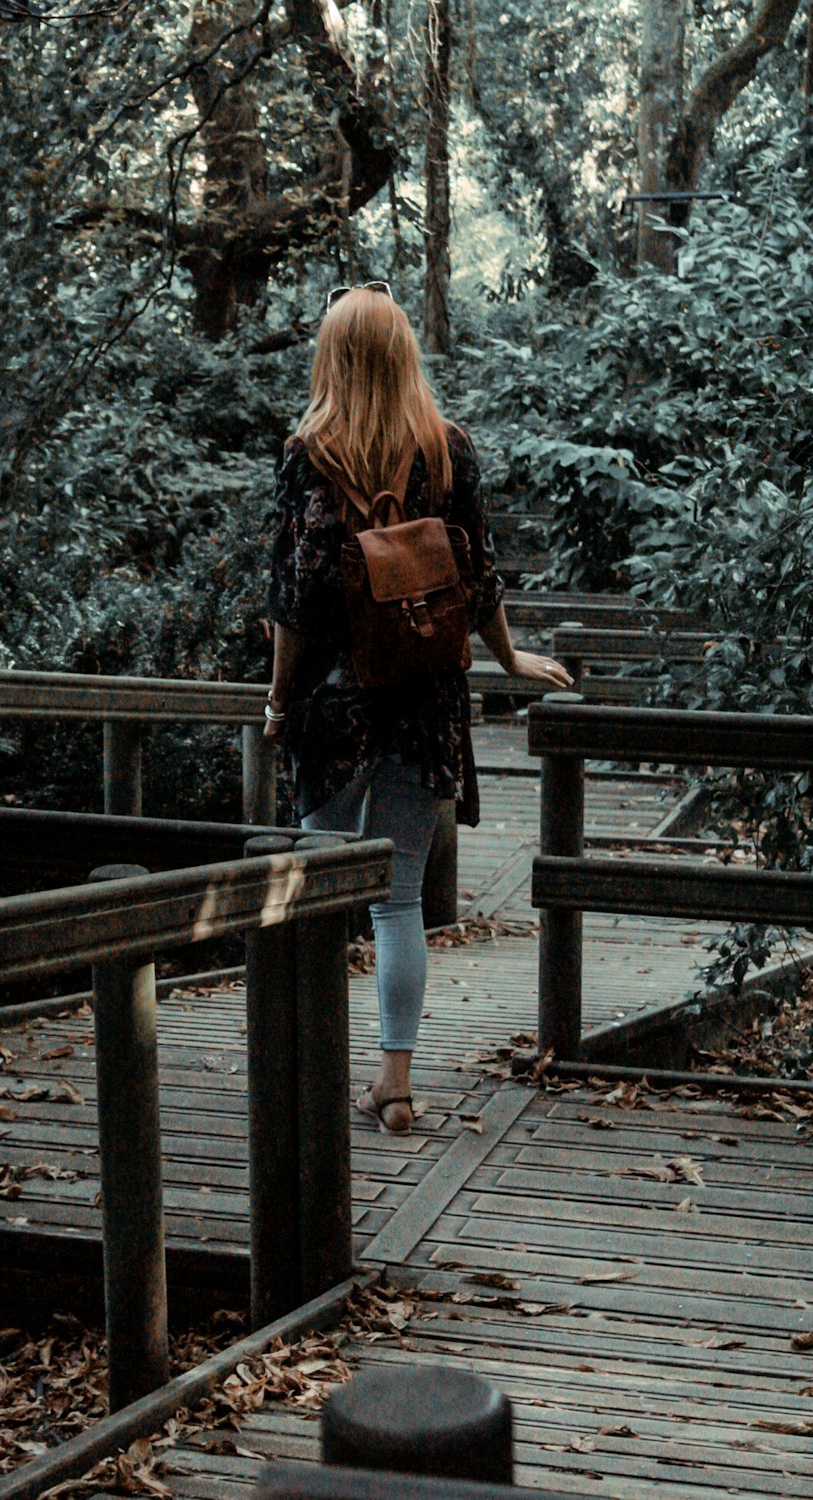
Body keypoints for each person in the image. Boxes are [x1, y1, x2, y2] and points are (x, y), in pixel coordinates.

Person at [264, 283, 571, 1135]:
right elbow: (478, 575)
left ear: (332, 356)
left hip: (334, 704)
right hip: (425, 703)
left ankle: (312, 1075)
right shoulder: (448, 452)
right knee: (398, 898)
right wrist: (508, 657)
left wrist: (279, 700)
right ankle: (394, 1086)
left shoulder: (308, 453)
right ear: (404, 354)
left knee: (314, 892)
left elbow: (292, 600)